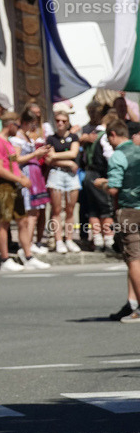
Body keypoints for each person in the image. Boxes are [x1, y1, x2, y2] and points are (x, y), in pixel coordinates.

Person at [0, 113, 49, 271]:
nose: (18, 128)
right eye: (16, 125)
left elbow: (13, 163)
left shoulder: (7, 143)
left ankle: (28, 256)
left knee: (22, 221)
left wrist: (22, 177)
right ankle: (4, 260)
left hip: (14, 185)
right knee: (4, 222)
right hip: (3, 186)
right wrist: (20, 179)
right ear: (9, 125)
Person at [98, 121, 140, 322]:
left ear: (113, 135)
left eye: (109, 139)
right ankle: (132, 303)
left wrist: (101, 184)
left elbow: (114, 188)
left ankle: (138, 306)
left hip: (129, 210)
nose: (110, 143)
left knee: (134, 259)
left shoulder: (118, 156)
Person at [10, 107, 52, 259]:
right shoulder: (17, 138)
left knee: (36, 211)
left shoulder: (26, 137)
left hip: (35, 174)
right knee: (30, 212)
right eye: (31, 124)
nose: (33, 127)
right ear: (25, 123)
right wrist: (35, 153)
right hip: (26, 173)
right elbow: (15, 159)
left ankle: (30, 242)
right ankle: (26, 244)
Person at [45, 109, 83, 254]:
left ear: (68, 123)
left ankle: (69, 239)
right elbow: (49, 158)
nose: (60, 123)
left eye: (63, 121)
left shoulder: (73, 136)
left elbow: (73, 153)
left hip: (71, 176)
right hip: (57, 174)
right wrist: (68, 163)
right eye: (58, 121)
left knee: (70, 209)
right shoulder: (51, 138)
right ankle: (58, 239)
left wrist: (56, 156)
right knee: (56, 210)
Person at [80, 104, 116, 251]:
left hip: (88, 175)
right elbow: (110, 157)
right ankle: (108, 241)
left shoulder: (93, 134)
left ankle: (98, 240)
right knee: (105, 208)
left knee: (93, 209)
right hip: (99, 175)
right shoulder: (104, 137)